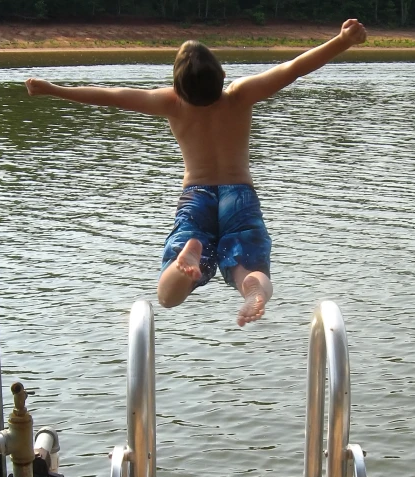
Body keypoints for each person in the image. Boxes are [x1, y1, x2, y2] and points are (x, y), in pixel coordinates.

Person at [25, 19, 367, 327]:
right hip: (239, 194)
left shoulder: (171, 103)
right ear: (219, 76)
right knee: (252, 269)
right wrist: (342, 41)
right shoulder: (239, 96)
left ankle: (183, 262)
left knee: (168, 297)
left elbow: (112, 96)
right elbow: (293, 68)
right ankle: (250, 287)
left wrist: (55, 89)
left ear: (179, 83)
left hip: (197, 194)